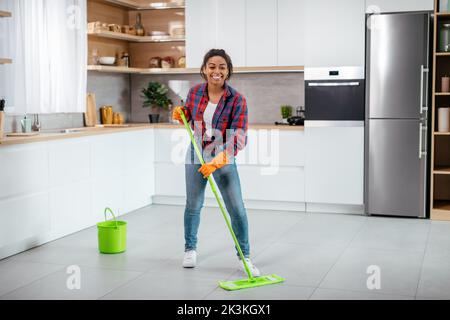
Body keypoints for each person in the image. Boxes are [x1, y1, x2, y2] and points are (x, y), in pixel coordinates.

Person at [172, 49, 260, 277]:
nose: (216, 71)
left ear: (228, 71)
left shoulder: (237, 99)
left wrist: (219, 160)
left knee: (236, 208)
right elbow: (191, 118)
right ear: (204, 69)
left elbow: (239, 136)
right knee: (193, 204)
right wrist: (181, 114)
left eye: (222, 66)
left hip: (223, 154)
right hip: (197, 152)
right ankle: (190, 249)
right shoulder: (194, 93)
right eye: (211, 66)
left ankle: (245, 257)